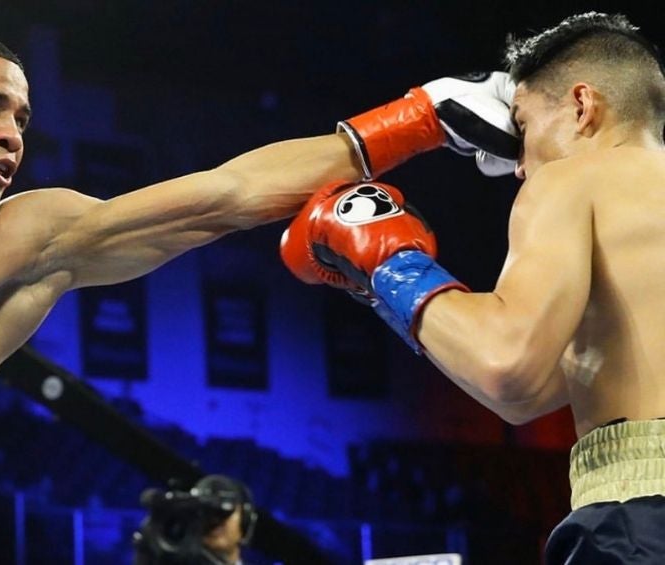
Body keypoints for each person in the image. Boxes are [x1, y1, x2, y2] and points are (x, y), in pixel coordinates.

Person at [0, 29, 514, 564]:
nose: (10, 133)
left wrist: (421, 118)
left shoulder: (28, 238)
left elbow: (226, 193)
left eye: (23, 119)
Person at [281, 11, 665, 564]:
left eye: (525, 129)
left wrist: (390, 262)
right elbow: (531, 397)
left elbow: (508, 366)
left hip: (642, 517)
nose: (518, 168)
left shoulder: (572, 179)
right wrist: (381, 294)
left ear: (583, 107)